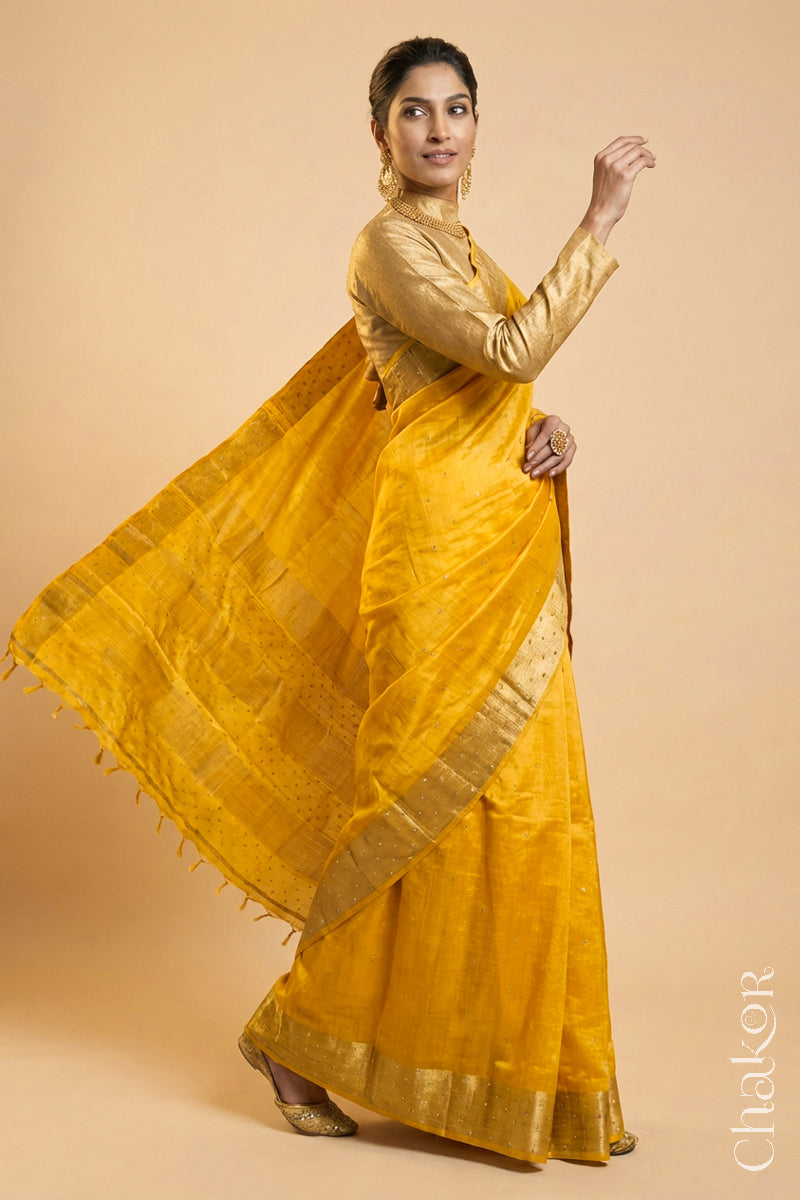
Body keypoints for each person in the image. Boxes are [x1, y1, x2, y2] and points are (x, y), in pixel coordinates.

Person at [7, 36, 654, 1167]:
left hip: (501, 551)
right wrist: (595, 223)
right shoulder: (387, 245)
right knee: (410, 811)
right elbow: (506, 347)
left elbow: (493, 392)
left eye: (457, 109)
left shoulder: (454, 242)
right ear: (378, 133)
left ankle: (530, 1082)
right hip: (429, 559)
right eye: (415, 112)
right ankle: (297, 1039)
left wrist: (549, 432)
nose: (439, 130)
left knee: (528, 810)